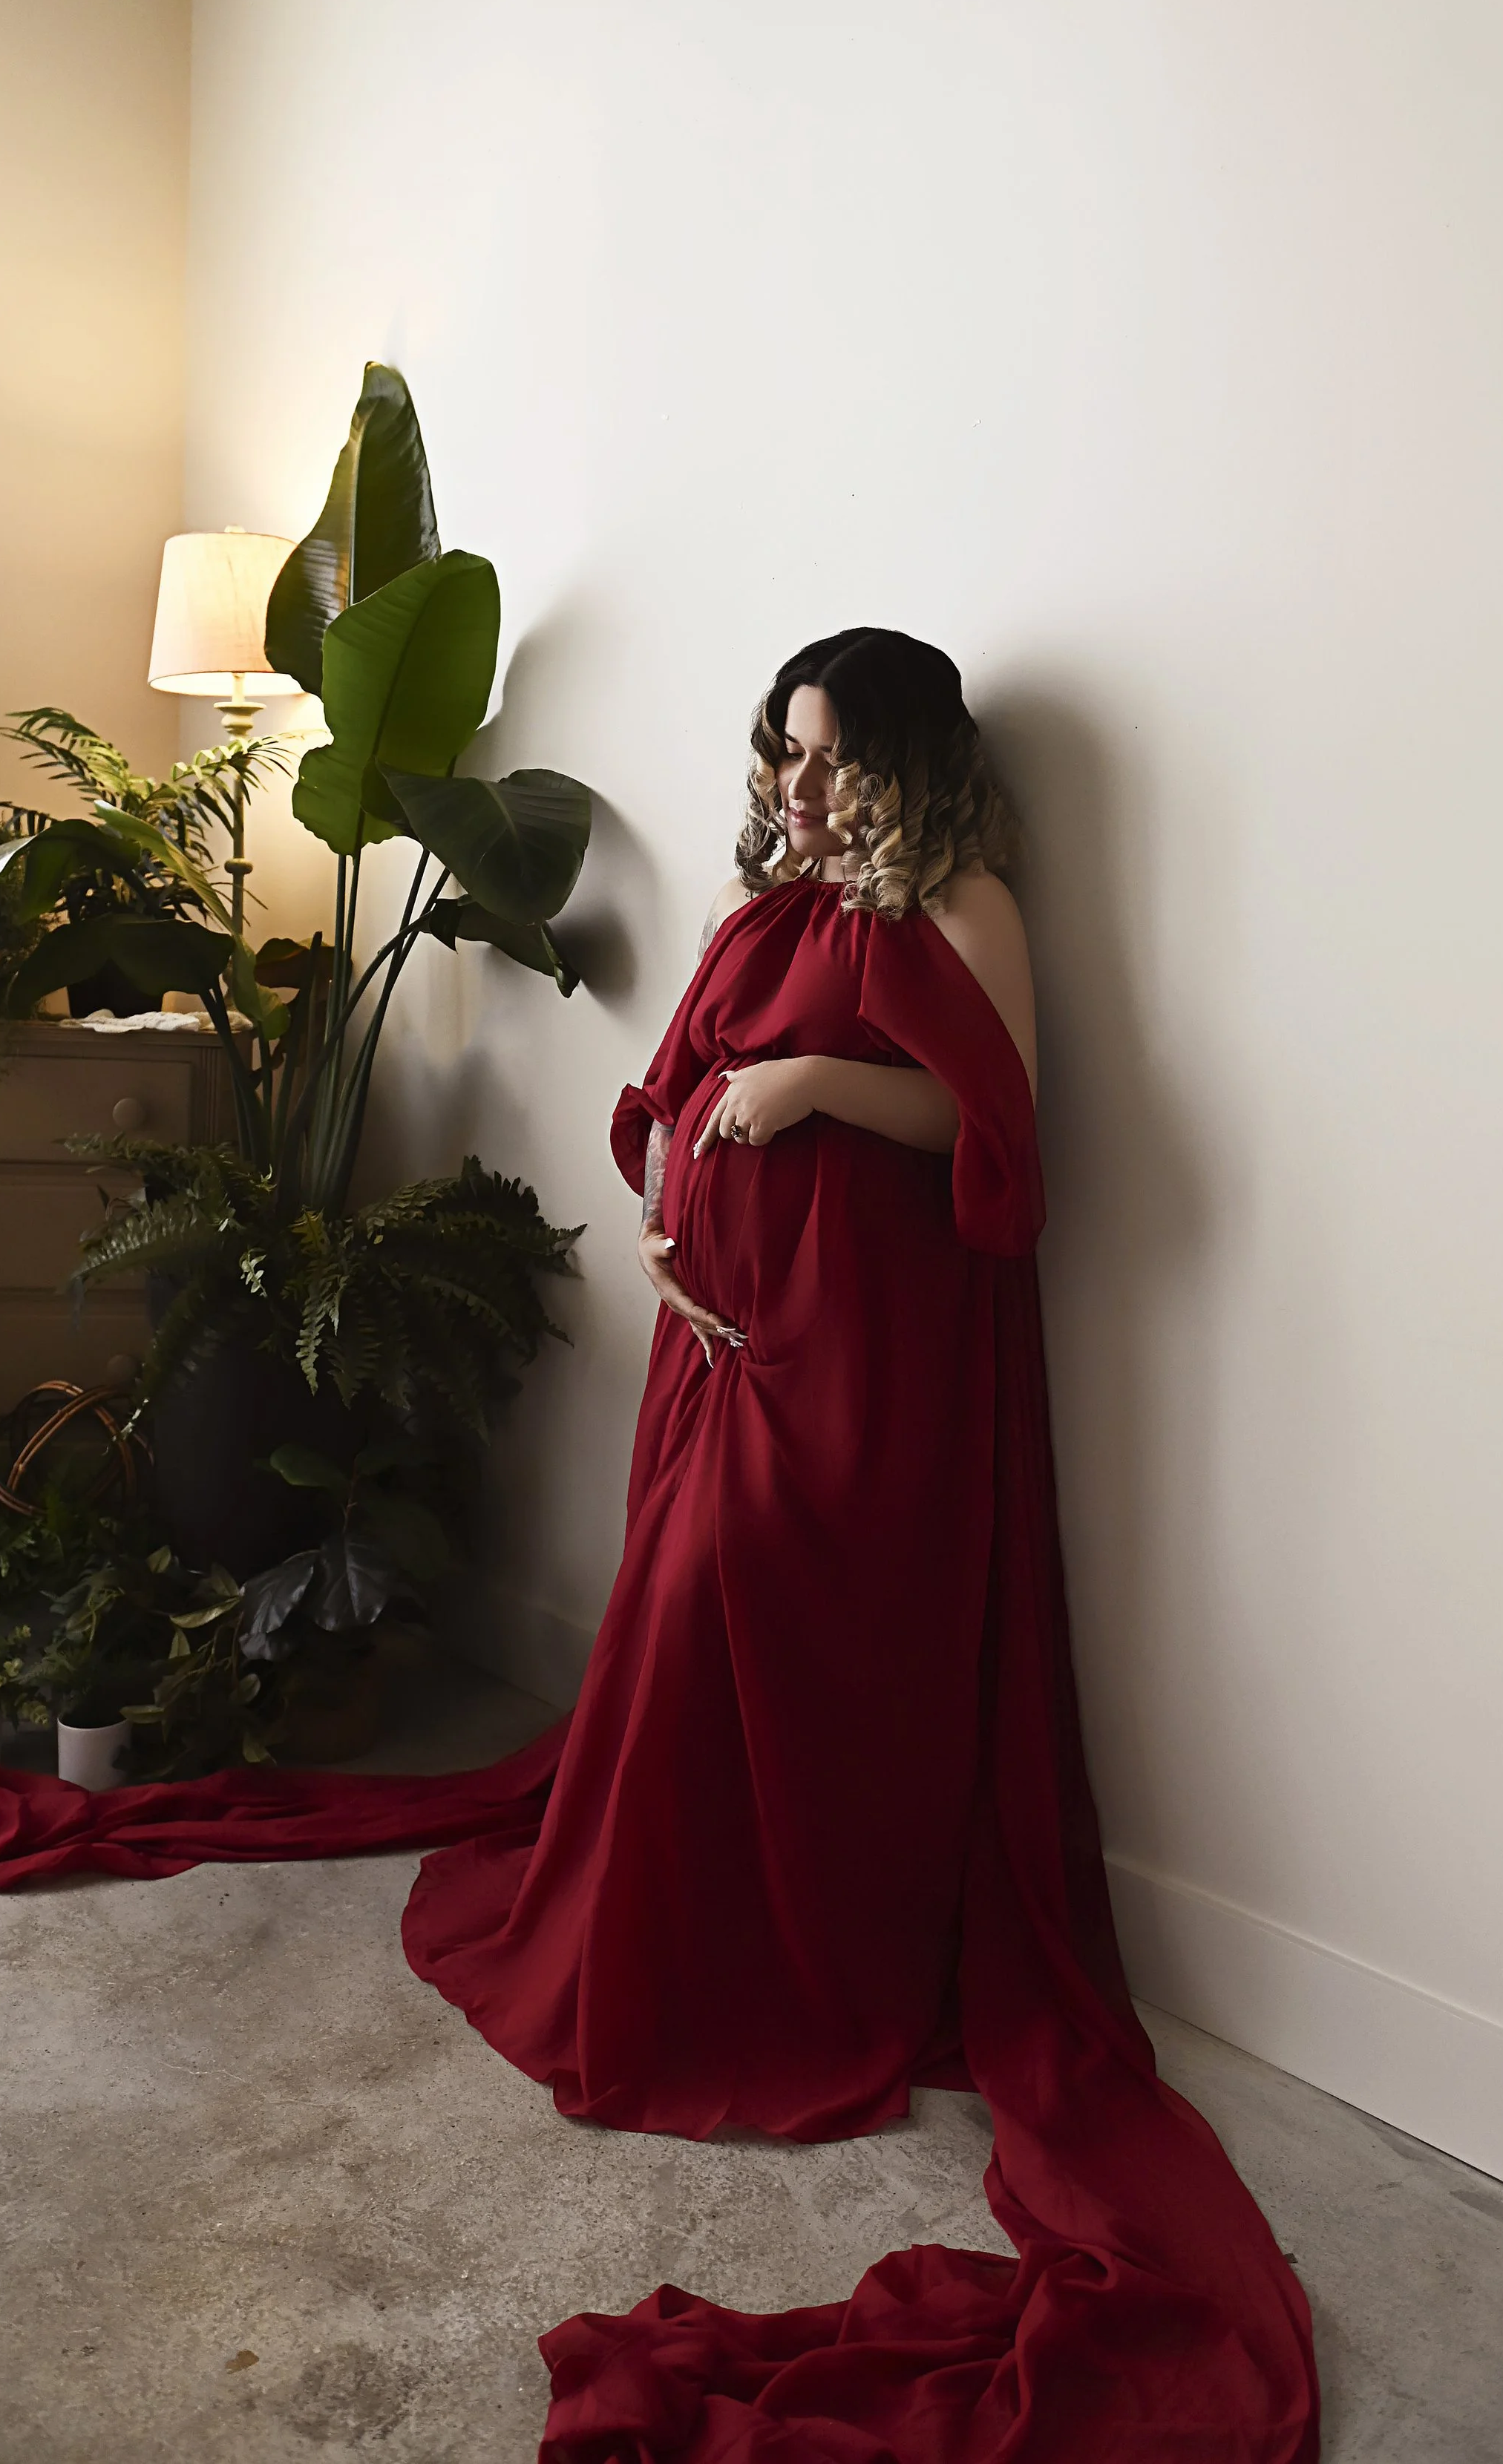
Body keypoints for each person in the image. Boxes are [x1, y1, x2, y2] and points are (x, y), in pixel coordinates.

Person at [399, 627, 1322, 2458]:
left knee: (772, 1633)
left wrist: (814, 1088)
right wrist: (663, 1214)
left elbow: (999, 1129)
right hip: (724, 1340)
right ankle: (665, 1957)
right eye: (782, 749)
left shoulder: (963, 905)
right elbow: (681, 1084)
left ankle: (789, 1981)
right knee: (673, 1643)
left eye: (827, 754)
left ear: (906, 759)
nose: (795, 784)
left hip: (867, 1351)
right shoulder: (769, 898)